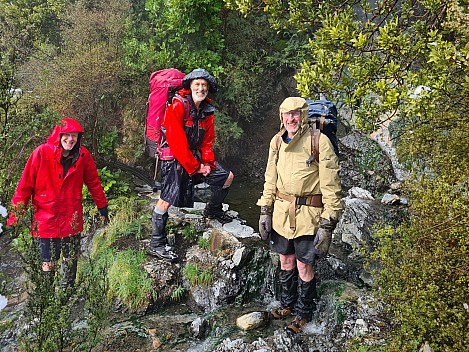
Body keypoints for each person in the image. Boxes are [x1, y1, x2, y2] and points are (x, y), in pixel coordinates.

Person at [257, 97, 342, 335]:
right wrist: (265, 210)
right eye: (286, 114)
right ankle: (287, 305)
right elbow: (269, 179)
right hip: (282, 214)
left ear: (303, 116)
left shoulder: (319, 142)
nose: (291, 119)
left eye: (295, 114)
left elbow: (331, 186)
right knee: (286, 261)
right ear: (281, 117)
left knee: (305, 267)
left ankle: (304, 314)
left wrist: (327, 224)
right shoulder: (276, 142)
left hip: (308, 215)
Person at [7, 118, 108, 288]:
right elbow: (24, 188)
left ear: (79, 138)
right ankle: (46, 299)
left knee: (70, 258)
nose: (70, 139)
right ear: (58, 136)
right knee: (48, 262)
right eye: (66, 135)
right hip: (46, 218)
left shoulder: (83, 156)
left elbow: (93, 183)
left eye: (74, 136)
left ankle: (66, 295)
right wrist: (13, 220)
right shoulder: (41, 153)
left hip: (71, 217)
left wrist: (102, 207)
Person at [149, 68, 234, 262]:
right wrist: (196, 167)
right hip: (174, 159)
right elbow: (176, 141)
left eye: (204, 85)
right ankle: (156, 243)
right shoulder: (177, 105)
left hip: (194, 159)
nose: (201, 88)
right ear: (190, 86)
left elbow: (207, 142)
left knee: (226, 177)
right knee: (166, 198)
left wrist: (207, 163)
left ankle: (213, 210)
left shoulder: (207, 111)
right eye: (197, 84)